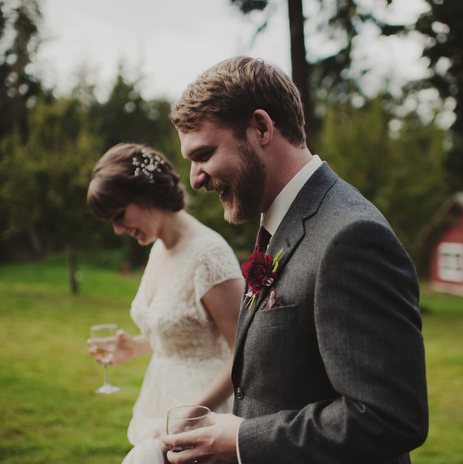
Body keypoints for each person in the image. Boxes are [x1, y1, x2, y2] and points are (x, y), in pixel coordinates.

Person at [161, 56, 429, 464]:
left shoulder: (351, 236)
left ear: (262, 128)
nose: (195, 178)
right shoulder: (283, 221)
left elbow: (388, 417)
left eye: (204, 154)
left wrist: (244, 441)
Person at [86, 143, 244, 464]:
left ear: (146, 194)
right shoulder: (159, 248)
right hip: (162, 405)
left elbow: (244, 354)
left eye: (119, 216)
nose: (117, 230)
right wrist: (136, 346)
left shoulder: (209, 255)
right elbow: (189, 332)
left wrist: (189, 414)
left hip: (202, 415)